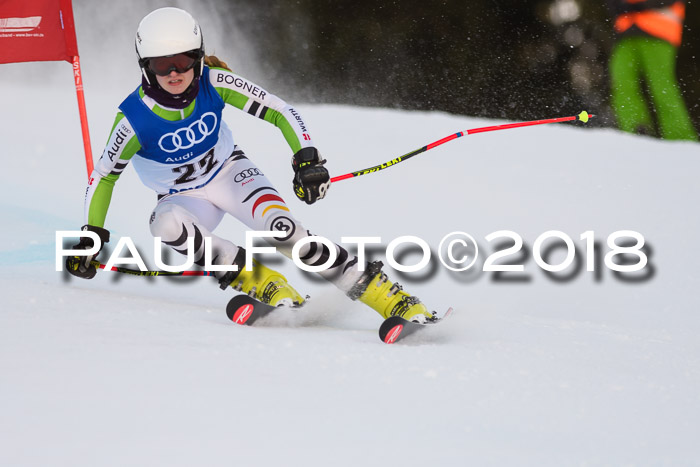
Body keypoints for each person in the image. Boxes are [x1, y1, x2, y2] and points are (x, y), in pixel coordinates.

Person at [66, 7, 436, 323]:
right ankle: (264, 283)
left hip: (230, 174)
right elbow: (104, 177)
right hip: (182, 197)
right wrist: (91, 235)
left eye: (183, 60)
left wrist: (307, 158)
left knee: (286, 233)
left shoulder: (215, 81)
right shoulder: (134, 118)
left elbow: (279, 110)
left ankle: (392, 299)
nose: (174, 73)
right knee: (165, 225)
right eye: (162, 65)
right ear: (145, 67)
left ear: (198, 57)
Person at [607, 0, 698, 141]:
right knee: (621, 83)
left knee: (662, 87)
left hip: (658, 29)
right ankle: (635, 131)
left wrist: (642, 6)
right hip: (626, 31)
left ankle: (681, 139)